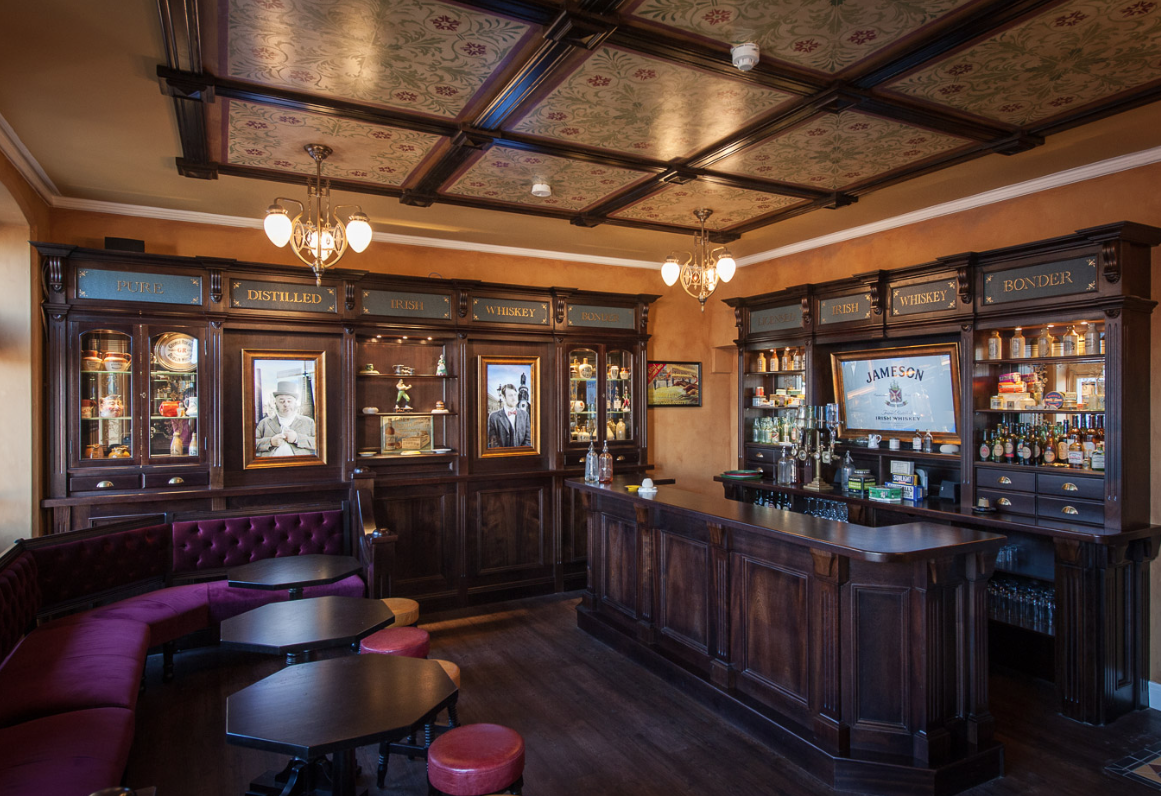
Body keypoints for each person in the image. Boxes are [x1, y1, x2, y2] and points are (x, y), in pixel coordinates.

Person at [255, 380, 317, 457]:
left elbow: (320, 443)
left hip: (300, 466)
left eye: (289, 401)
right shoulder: (264, 423)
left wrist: (297, 438)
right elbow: (251, 445)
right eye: (282, 401)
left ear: (295, 403)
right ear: (275, 403)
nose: (286, 404)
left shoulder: (308, 422)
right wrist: (270, 442)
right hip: (270, 466)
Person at [486, 383, 531, 448]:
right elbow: (493, 443)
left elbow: (528, 440)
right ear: (504, 397)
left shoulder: (525, 415)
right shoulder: (493, 417)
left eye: (515, 395)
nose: (514, 398)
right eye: (510, 395)